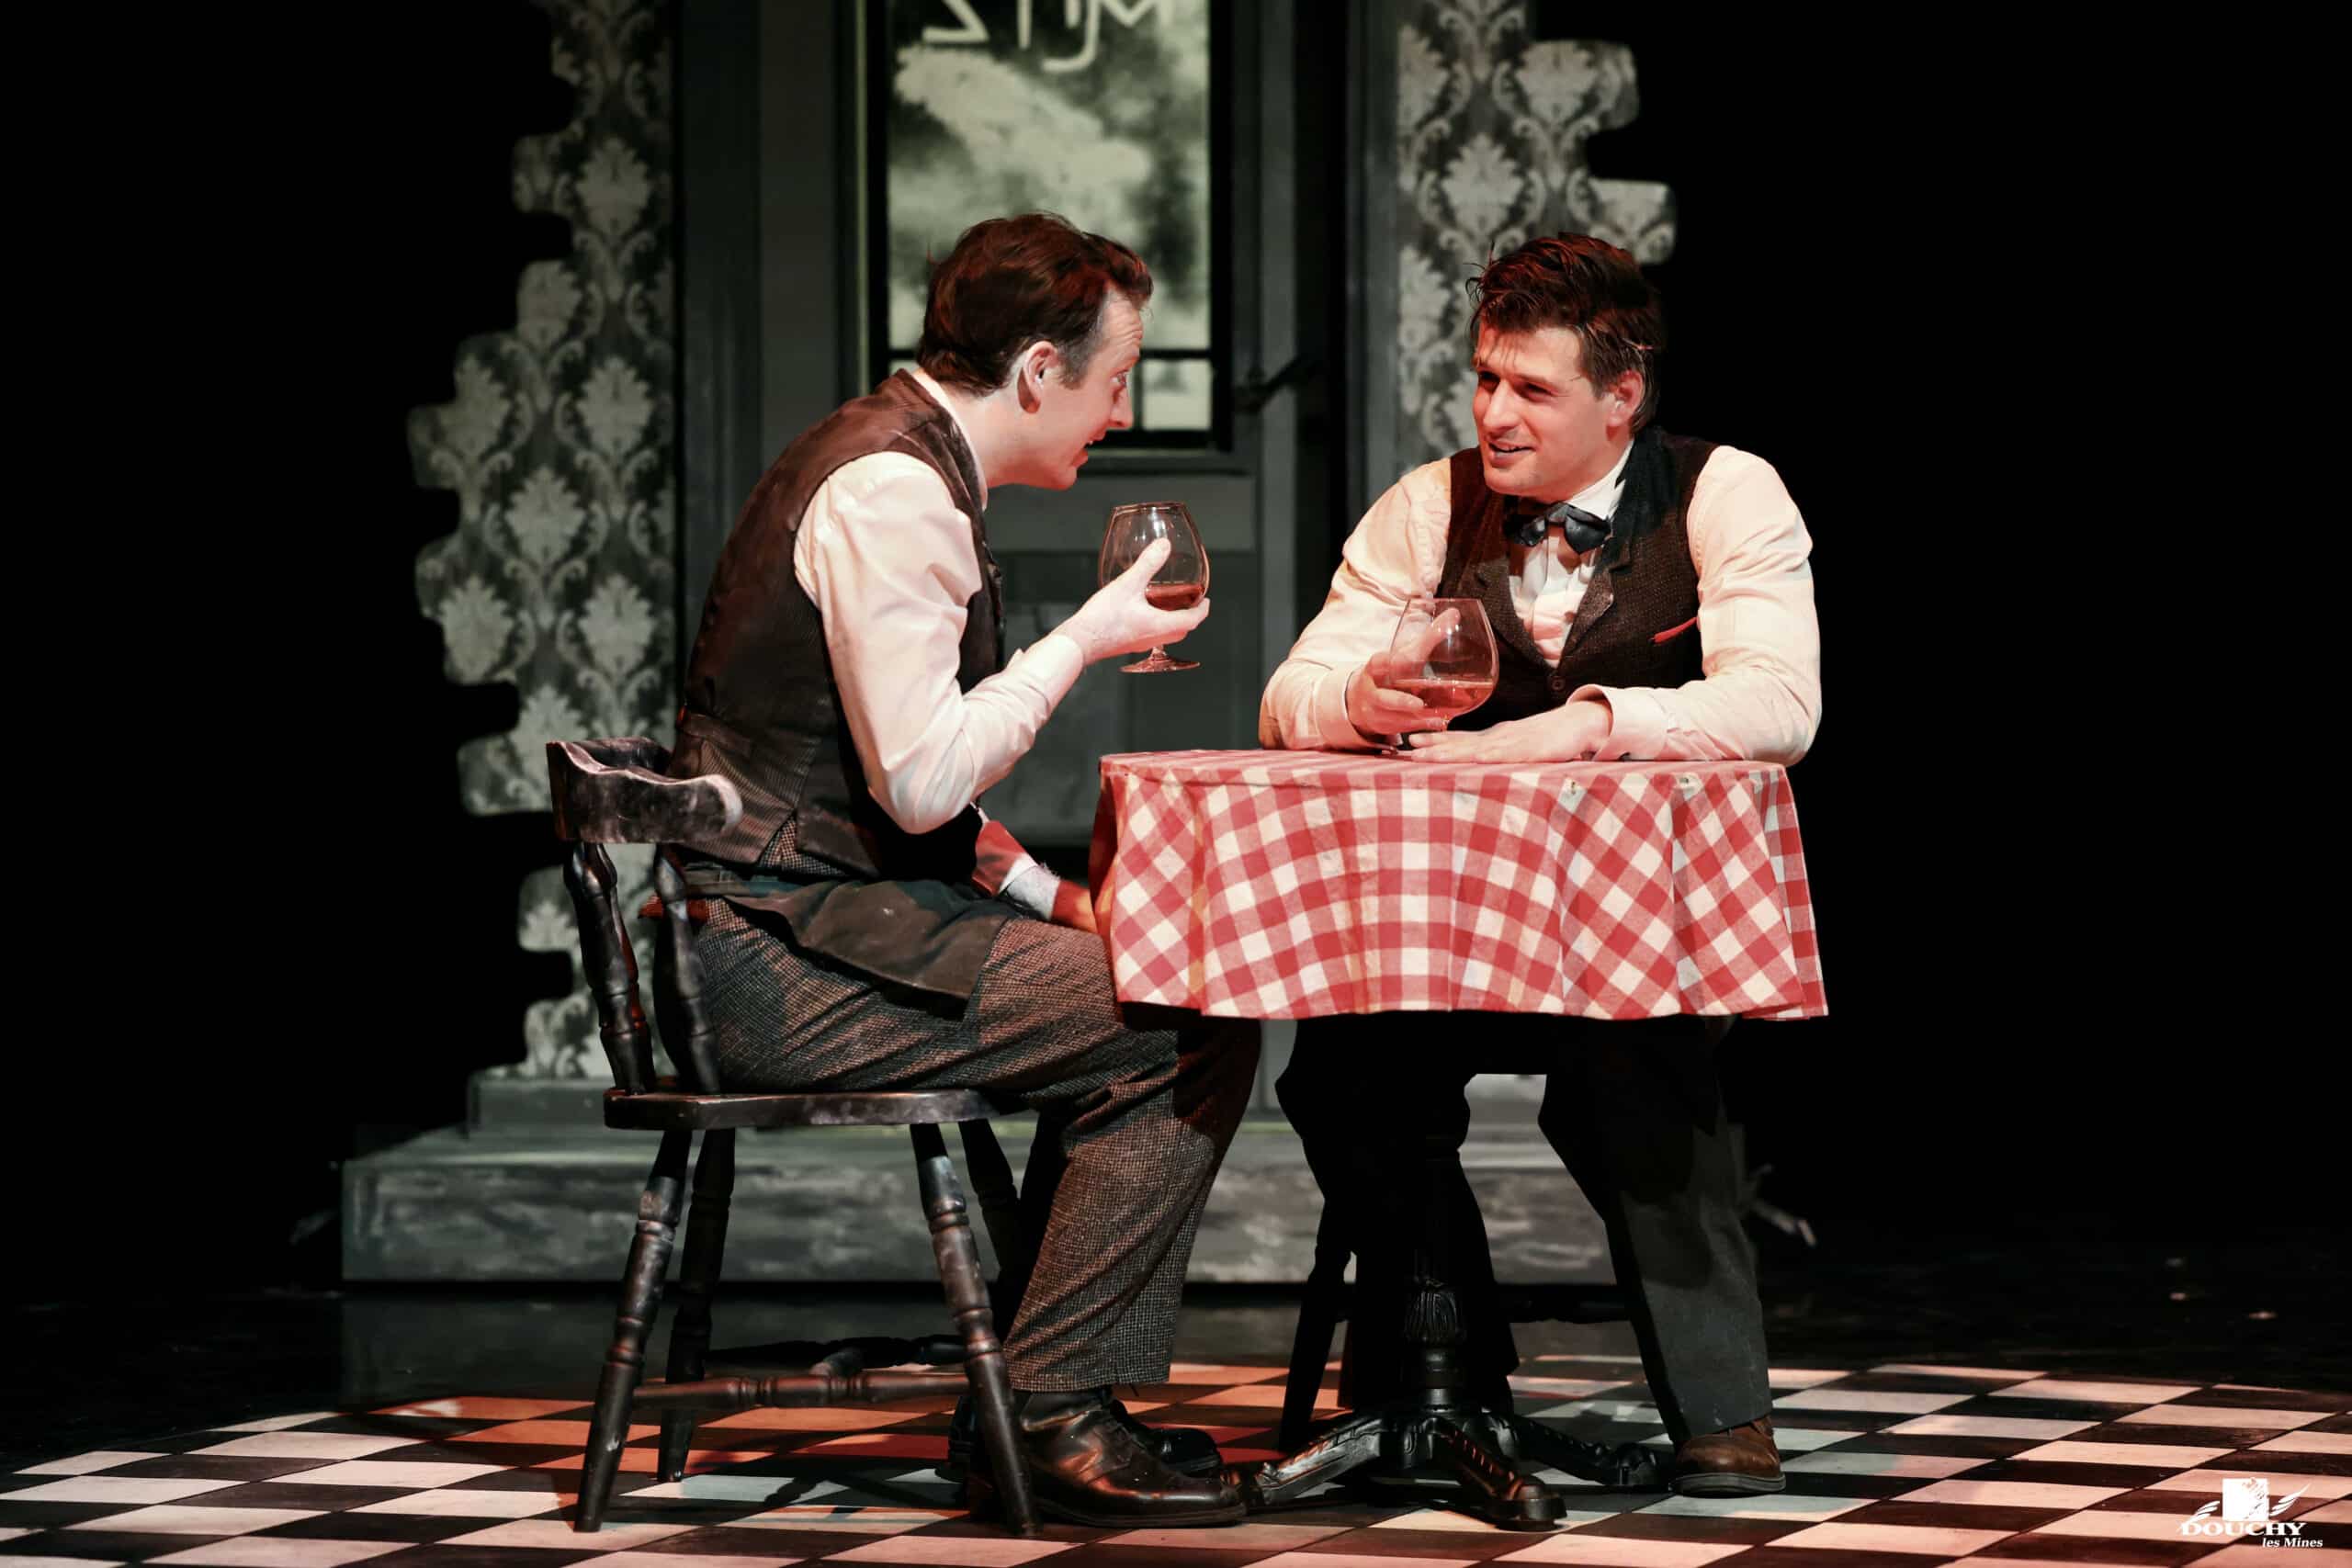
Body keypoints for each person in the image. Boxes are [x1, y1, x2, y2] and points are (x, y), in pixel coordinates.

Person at [665, 213, 1259, 1529]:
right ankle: (1051, 1411)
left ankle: (1034, 1403)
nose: (1121, 413)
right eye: (1114, 381)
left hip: (813, 922)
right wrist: (1081, 641)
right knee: (1187, 1016)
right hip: (773, 962)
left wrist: (1059, 900)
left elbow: (891, 785)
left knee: (1153, 984)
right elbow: (922, 782)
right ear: (1041, 371)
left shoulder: (900, 467)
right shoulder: (892, 491)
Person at [1260, 231, 1821, 1496]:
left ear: (1623, 395)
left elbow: (1782, 704)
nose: (1494, 414)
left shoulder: (1724, 491)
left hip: (1637, 930)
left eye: (1532, 389)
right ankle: (1448, 1379)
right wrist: (1358, 698)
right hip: (1448, 927)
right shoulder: (1429, 503)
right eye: (1485, 380)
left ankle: (1722, 1407)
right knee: (1344, 1074)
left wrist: (1586, 722)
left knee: (1642, 1082)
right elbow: (1290, 694)